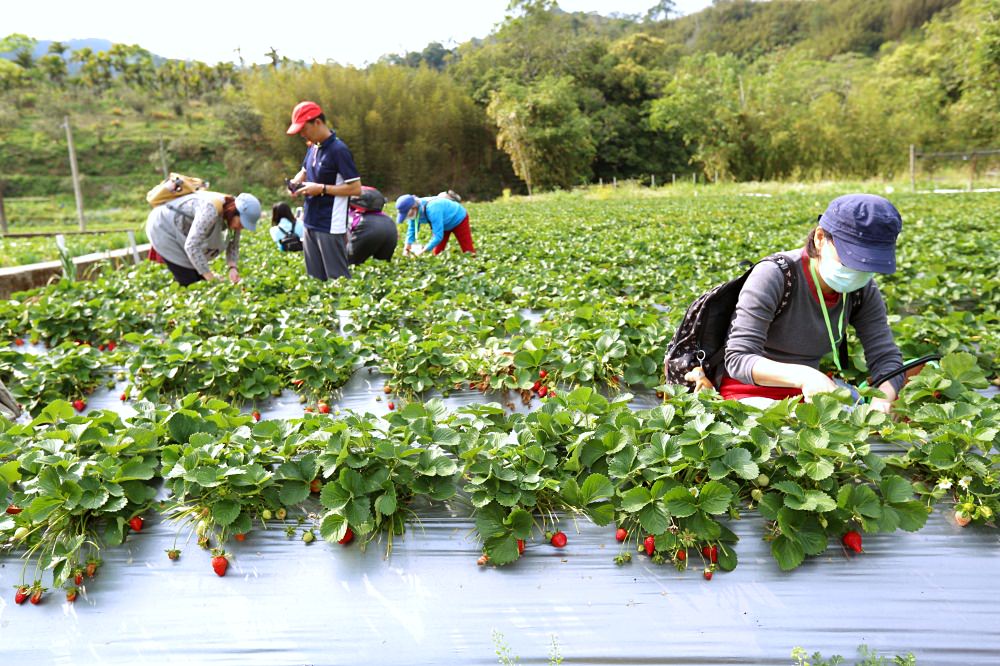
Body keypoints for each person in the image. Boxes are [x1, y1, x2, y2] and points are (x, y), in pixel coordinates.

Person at [723, 193, 905, 413]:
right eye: (851, 259)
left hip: (812, 395)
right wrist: (805, 375)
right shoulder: (775, 275)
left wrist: (883, 399)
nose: (859, 272)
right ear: (820, 238)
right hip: (749, 393)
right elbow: (738, 358)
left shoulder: (862, 289)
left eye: (869, 264)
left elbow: (885, 357)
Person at [285, 101, 362, 280]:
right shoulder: (314, 146)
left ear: (318, 122)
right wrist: (296, 182)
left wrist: (321, 189)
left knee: (337, 279)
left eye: (304, 129)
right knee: (315, 278)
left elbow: (356, 188)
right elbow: (304, 170)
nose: (302, 134)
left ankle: (346, 309)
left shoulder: (338, 150)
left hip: (330, 224)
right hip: (310, 220)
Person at [145, 190, 261, 286]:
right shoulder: (210, 210)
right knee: (190, 281)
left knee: (199, 275)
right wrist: (210, 278)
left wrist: (232, 268)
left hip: (182, 231)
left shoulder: (233, 216)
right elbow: (192, 246)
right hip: (163, 227)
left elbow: (233, 244)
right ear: (234, 212)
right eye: (241, 224)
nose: (241, 228)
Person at [395, 192, 475, 257]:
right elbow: (412, 229)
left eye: (407, 214)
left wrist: (423, 251)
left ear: (413, 207)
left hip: (458, 219)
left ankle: (475, 267)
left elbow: (438, 236)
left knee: (468, 250)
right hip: (443, 223)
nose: (408, 216)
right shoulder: (414, 212)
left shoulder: (433, 209)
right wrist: (407, 248)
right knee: (437, 252)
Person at [346, 186, 397, 265]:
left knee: (350, 264)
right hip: (390, 227)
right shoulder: (384, 216)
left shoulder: (350, 212)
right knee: (382, 266)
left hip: (367, 228)